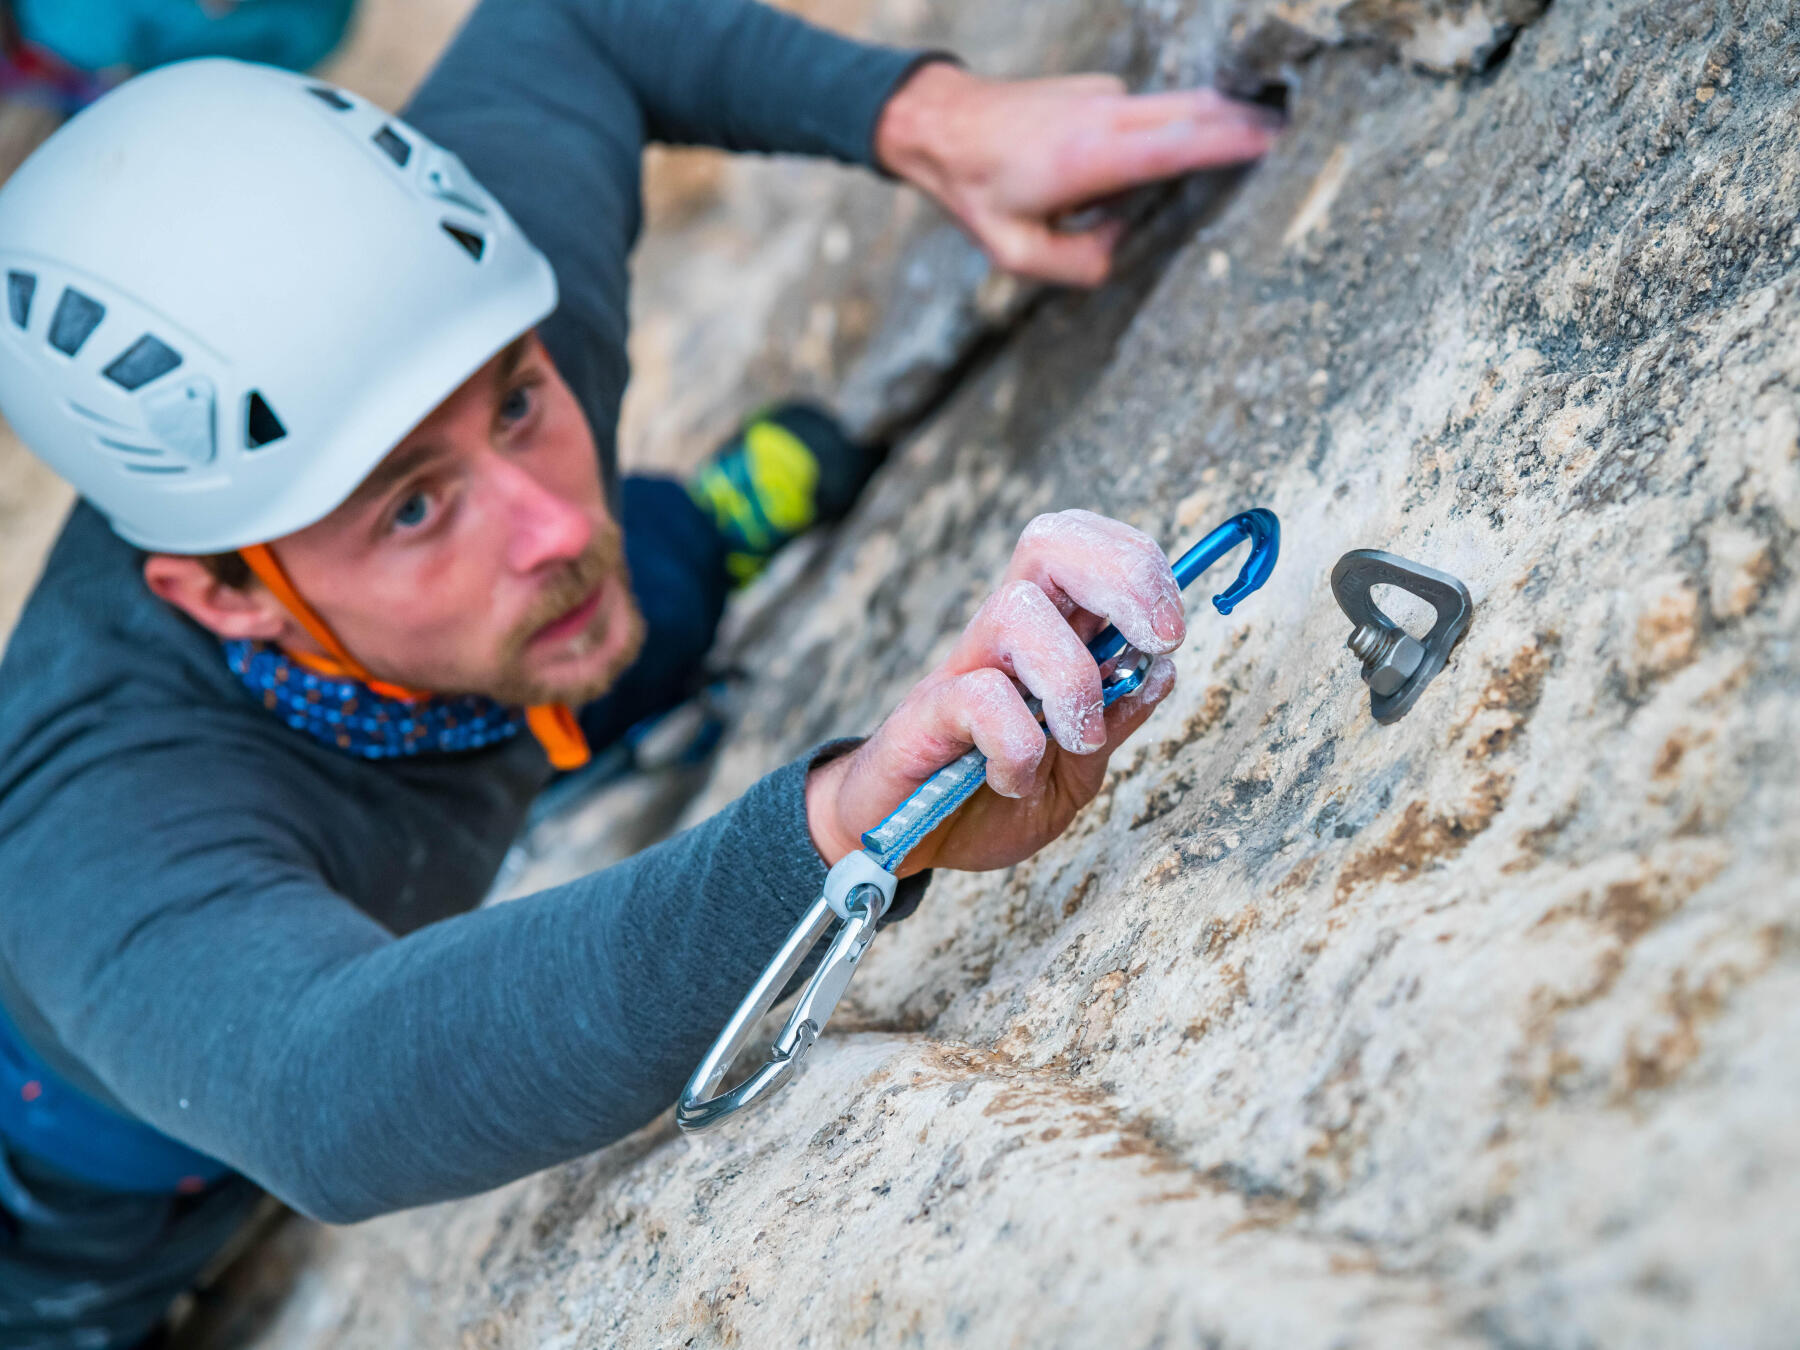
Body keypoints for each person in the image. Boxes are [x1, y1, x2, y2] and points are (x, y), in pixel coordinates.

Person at [0, 1, 1279, 1344]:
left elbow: (566, 25)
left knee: (630, 581)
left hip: (468, 690)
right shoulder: (95, 829)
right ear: (218, 593)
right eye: (415, 509)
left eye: (518, 403)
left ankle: (695, 528)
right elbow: (327, 1087)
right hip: (55, 1173)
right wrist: (838, 832)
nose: (548, 513)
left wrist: (941, 126)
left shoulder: (467, 304)